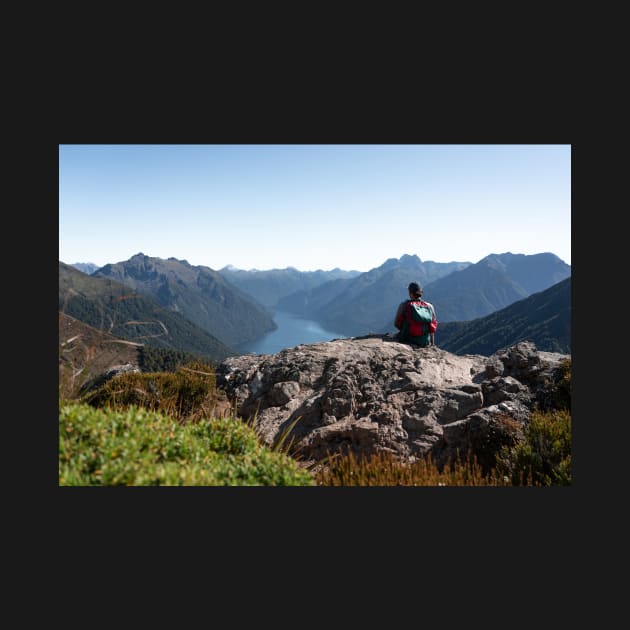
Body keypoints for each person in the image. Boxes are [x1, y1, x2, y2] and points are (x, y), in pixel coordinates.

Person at [394, 282, 438, 347]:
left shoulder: (404, 305)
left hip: (408, 340)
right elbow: (433, 326)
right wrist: (432, 343)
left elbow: (397, 324)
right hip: (425, 341)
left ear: (411, 294)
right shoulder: (430, 306)